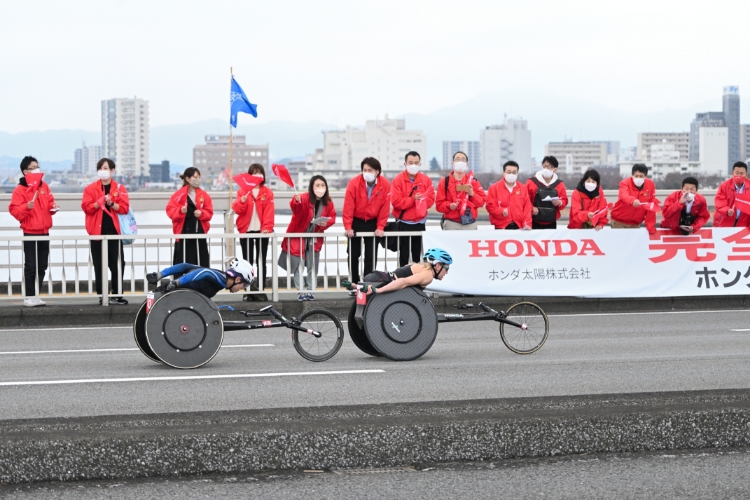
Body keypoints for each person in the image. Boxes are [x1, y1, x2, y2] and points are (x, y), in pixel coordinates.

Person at [8, 156, 60, 306]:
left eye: (38, 166)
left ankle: (36, 295)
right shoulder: (20, 189)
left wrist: (54, 208)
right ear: (25, 171)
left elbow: (49, 204)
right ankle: (29, 296)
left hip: (44, 231)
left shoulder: (44, 186)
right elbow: (14, 211)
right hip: (30, 232)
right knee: (31, 265)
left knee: (42, 265)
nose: (37, 169)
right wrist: (26, 207)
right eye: (33, 167)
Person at [81, 158, 130, 305]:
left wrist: (112, 204)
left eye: (106, 168)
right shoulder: (90, 189)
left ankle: (117, 294)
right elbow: (86, 208)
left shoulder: (119, 188)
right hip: (96, 231)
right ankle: (103, 295)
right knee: (99, 264)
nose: (104, 171)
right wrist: (99, 202)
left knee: (118, 263)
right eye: (101, 168)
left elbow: (124, 208)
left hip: (114, 231)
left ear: (112, 170)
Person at [281, 175, 336, 301]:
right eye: (317, 185)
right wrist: (296, 201)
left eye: (323, 185)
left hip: (314, 238)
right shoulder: (304, 198)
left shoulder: (328, 202)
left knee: (313, 266)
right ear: (312, 187)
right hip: (298, 236)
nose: (320, 188)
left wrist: (324, 224)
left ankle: (311, 291)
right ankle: (301, 291)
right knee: (298, 266)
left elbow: (332, 217)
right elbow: (296, 209)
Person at [343, 157, 391, 283]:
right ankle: (354, 283)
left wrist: (380, 227)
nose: (367, 172)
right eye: (365, 170)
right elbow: (348, 206)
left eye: (370, 170)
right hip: (356, 221)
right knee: (353, 254)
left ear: (377, 171)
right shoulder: (354, 183)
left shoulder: (385, 184)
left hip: (373, 222)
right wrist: (348, 227)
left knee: (371, 255)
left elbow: (384, 209)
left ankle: (367, 283)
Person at [232, 163, 274, 290]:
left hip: (263, 232)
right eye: (254, 173)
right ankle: (248, 289)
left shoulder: (267, 192)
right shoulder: (242, 191)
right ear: (249, 176)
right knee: (247, 262)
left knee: (261, 261)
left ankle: (261, 288)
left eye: (260, 172)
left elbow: (269, 212)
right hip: (246, 230)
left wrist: (267, 227)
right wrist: (242, 201)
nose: (257, 175)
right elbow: (237, 209)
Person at [390, 151, 435, 266]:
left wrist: (422, 201)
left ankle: (417, 282)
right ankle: (402, 281)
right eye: (410, 162)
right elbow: (396, 202)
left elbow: (431, 198)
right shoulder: (398, 180)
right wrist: (412, 199)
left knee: (418, 257)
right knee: (403, 257)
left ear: (420, 164)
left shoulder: (426, 180)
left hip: (420, 223)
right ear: (405, 164)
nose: (413, 165)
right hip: (404, 223)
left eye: (416, 162)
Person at [342, 248, 452, 295]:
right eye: (446, 269)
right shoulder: (428, 275)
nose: (446, 273)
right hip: (384, 282)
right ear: (437, 266)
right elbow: (404, 282)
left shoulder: (418, 265)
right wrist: (379, 290)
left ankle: (355, 286)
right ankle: (357, 287)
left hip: (380, 277)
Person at [166, 167, 214, 266]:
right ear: (187, 179)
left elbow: (209, 213)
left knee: (201, 263)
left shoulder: (204, 195)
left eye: (199, 177)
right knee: (183, 263)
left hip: (199, 233)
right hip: (183, 234)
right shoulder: (178, 196)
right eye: (195, 177)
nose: (198, 179)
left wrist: (201, 214)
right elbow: (170, 211)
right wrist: (180, 211)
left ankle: (202, 281)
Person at [147, 257, 255, 299]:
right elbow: (204, 272)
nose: (243, 288)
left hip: (170, 294)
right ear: (237, 280)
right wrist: (177, 283)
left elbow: (185, 266)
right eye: (244, 285)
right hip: (169, 294)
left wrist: (160, 275)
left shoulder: (220, 277)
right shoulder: (221, 279)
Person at [436, 151, 486, 230]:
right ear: (453, 163)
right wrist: (449, 206)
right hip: (451, 223)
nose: (460, 162)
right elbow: (439, 205)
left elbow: (482, 202)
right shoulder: (444, 181)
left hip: (470, 223)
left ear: (467, 164)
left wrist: (472, 194)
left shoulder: (474, 181)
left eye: (463, 160)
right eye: (457, 159)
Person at [610, 164, 658, 234]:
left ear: (645, 176)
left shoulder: (650, 185)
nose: (638, 178)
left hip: (635, 223)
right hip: (619, 221)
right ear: (632, 175)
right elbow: (624, 195)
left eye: (641, 176)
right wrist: (633, 201)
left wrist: (650, 227)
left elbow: (650, 206)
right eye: (636, 176)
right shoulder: (625, 183)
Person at [486, 161, 532, 230]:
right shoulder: (494, 188)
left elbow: (527, 209)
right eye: (509, 172)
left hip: (519, 226)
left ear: (517, 173)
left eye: (514, 172)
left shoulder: (523, 188)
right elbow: (490, 207)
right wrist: (501, 212)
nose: (511, 174)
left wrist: (527, 224)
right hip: (500, 226)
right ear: (503, 173)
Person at [526, 156, 568, 229]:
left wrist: (560, 202)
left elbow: (564, 200)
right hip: (534, 220)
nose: (546, 169)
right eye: (545, 166)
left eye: (550, 167)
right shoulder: (531, 182)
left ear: (555, 169)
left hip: (551, 221)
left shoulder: (559, 184)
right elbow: (525, 199)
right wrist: (531, 208)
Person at [714, 161, 750, 227]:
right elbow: (719, 202)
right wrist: (727, 211)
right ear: (732, 173)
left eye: (742, 173)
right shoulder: (724, 186)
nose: (739, 175)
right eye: (737, 173)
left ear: (746, 175)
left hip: (744, 223)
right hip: (725, 222)